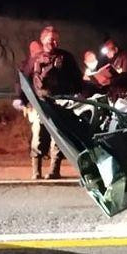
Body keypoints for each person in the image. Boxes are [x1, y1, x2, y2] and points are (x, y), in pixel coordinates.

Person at [17, 25, 80, 180]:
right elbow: (24, 79)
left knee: (57, 138)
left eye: (57, 40)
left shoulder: (66, 58)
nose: (54, 43)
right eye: (51, 39)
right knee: (37, 136)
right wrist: (21, 99)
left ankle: (54, 170)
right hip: (40, 103)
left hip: (60, 103)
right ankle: (36, 171)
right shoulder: (35, 59)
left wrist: (78, 93)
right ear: (43, 39)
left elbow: (77, 78)